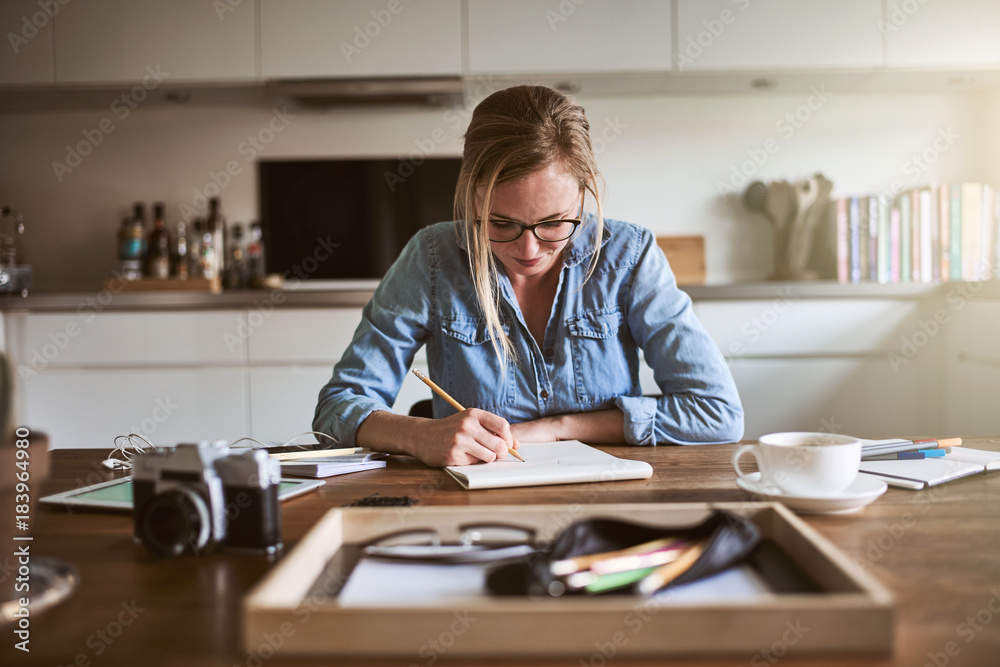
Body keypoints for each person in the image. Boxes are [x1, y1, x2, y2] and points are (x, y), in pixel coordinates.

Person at [314, 85, 743, 467]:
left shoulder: (629, 256)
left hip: (603, 502)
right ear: (471, 194)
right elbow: (336, 408)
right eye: (501, 224)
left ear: (584, 191)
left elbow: (716, 413)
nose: (529, 250)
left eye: (554, 224)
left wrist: (558, 428)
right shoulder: (431, 258)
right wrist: (419, 434)